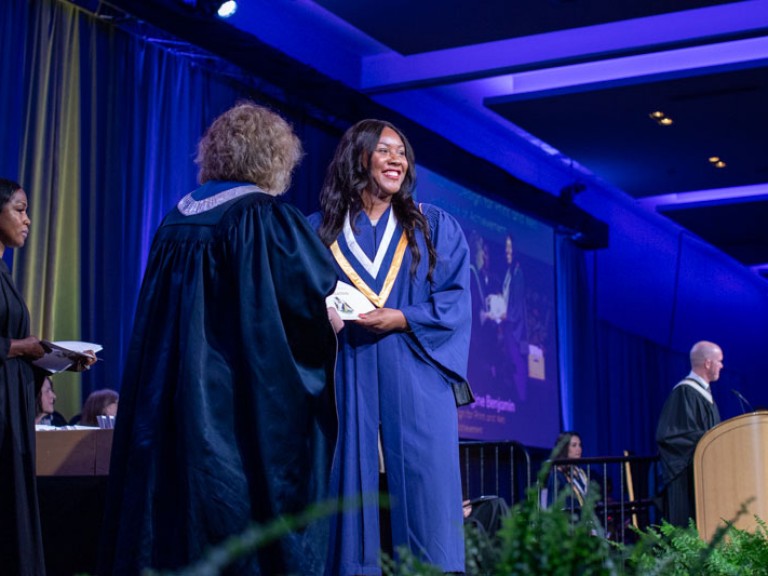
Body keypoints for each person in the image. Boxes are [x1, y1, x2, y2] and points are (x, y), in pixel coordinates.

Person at [99, 102, 339, 575]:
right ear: (275, 156)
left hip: (164, 405)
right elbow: (299, 309)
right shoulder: (263, 217)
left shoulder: (174, 219)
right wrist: (327, 321)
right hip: (226, 413)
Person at [310, 119, 472, 575]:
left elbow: (456, 303)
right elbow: (295, 306)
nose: (397, 159)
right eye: (385, 150)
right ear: (358, 157)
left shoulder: (432, 227)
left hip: (415, 378)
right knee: (347, 496)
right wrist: (319, 319)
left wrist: (402, 317)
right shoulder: (320, 234)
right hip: (348, 378)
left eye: (402, 152)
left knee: (425, 498)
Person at [0, 178, 48, 575]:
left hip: (11, 411)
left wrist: (54, 359)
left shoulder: (4, 272)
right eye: (19, 208)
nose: (27, 219)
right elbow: (10, 345)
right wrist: (21, 348)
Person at [656, 340, 723, 527]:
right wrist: (709, 441)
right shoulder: (685, 392)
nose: (721, 366)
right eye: (719, 361)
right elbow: (671, 436)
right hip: (687, 480)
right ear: (708, 363)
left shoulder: (703, 394)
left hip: (705, 475)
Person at [497, 234, 529, 402]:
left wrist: (506, 315)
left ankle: (520, 403)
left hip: (515, 330)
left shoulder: (518, 273)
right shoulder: (510, 272)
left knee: (517, 369)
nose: (507, 250)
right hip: (509, 328)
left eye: (510, 247)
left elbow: (516, 306)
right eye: (506, 246)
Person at [546, 431, 590, 513]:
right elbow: (551, 508)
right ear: (564, 448)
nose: (579, 449)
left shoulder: (580, 473)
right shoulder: (557, 476)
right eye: (574, 445)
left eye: (579, 445)